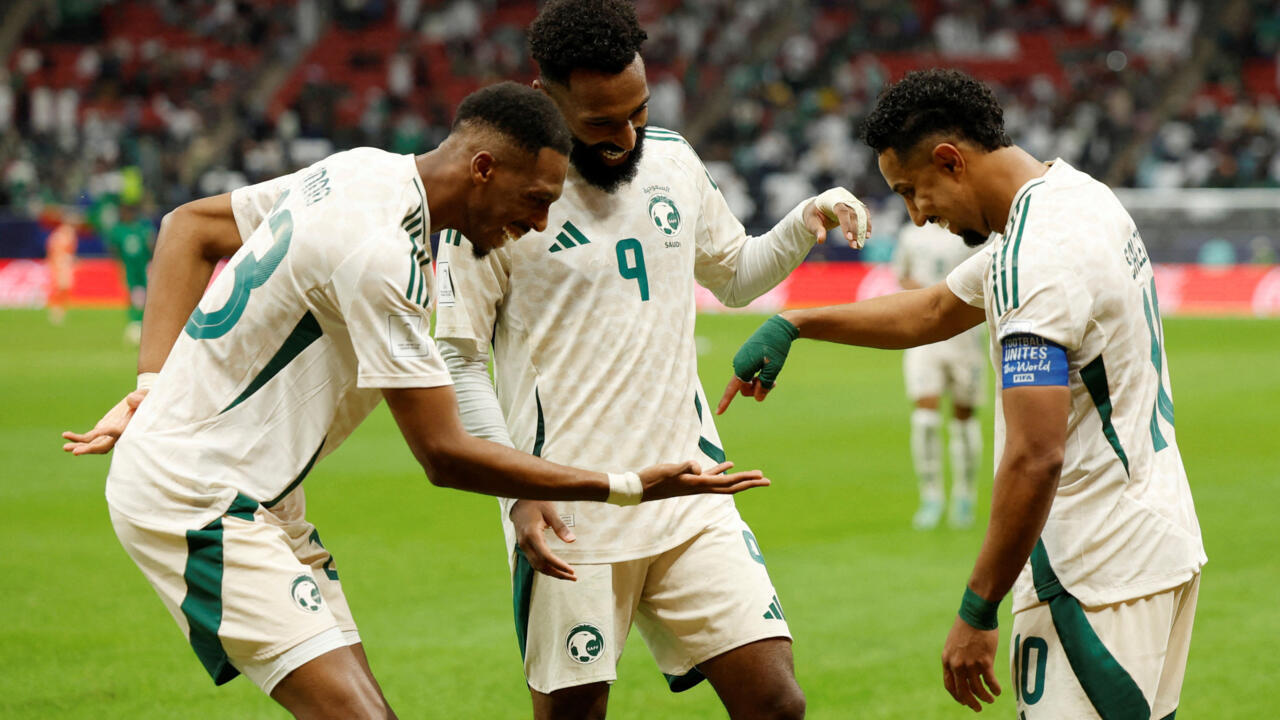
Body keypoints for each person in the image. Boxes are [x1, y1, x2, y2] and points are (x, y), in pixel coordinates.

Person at [61, 82, 766, 720]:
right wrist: (623, 486)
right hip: (199, 498)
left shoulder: (360, 170)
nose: (540, 223)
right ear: (483, 169)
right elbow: (444, 453)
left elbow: (190, 226)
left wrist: (151, 389)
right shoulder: (382, 257)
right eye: (535, 199)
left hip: (265, 496)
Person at [721, 69, 1205, 719]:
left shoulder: (1035, 256)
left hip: (1092, 571)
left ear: (950, 160)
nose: (918, 215)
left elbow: (1036, 455)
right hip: (1156, 539)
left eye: (911, 191)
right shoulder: (1077, 197)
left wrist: (978, 609)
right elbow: (934, 310)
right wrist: (796, 323)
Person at [433, 2, 868, 718]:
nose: (627, 135)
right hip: (569, 508)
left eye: (638, 111)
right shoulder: (496, 198)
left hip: (690, 489)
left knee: (776, 703)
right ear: (546, 99)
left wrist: (805, 219)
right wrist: (519, 493)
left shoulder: (671, 160)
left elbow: (735, 274)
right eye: (602, 122)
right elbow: (459, 360)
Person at [892, 221, 986, 529]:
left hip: (965, 337)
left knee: (964, 418)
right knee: (925, 418)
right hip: (924, 336)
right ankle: (931, 496)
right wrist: (927, 296)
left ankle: (965, 495)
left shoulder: (970, 230)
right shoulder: (911, 235)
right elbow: (902, 275)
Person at [104, 200, 155, 344]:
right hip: (129, 268)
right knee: (133, 294)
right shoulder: (118, 230)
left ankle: (143, 323)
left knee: (146, 294)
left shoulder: (142, 228)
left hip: (144, 266)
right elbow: (114, 248)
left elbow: (151, 245)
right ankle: (135, 322)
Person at [45, 209, 78, 325]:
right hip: (61, 264)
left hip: (64, 264)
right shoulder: (62, 234)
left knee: (65, 288)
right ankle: (56, 310)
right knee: (61, 287)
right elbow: (55, 250)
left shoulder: (65, 233)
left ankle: (60, 310)